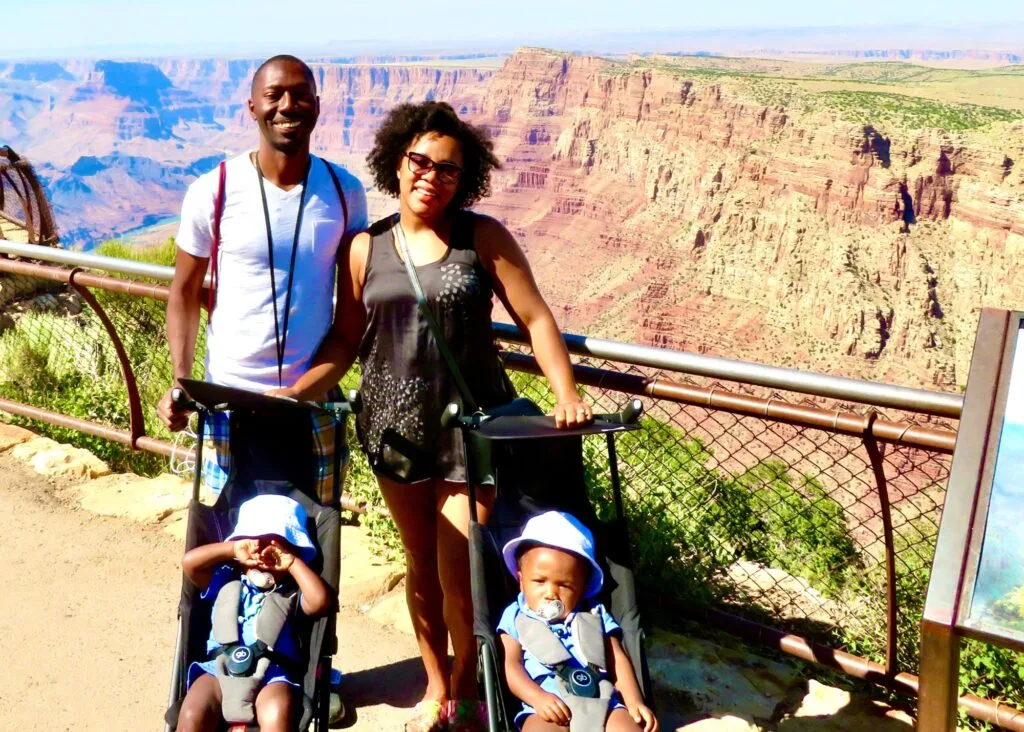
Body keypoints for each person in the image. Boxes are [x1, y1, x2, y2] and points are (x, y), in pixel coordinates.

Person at [283, 101, 593, 731]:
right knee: (420, 565)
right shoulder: (365, 248)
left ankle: (468, 687)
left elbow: (535, 318)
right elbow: (346, 339)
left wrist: (566, 393)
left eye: (448, 170)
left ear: (465, 178)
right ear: (396, 163)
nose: (431, 176)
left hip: (469, 431)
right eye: (420, 161)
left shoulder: (483, 239)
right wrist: (302, 394)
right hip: (393, 430)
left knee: (461, 569)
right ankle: (434, 685)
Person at [156, 54, 368, 504]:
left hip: (312, 403)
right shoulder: (212, 190)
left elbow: (350, 322)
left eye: (299, 94)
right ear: (251, 106)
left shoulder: (345, 192)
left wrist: (299, 390)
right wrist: (181, 380)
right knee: (223, 543)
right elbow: (185, 292)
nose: (287, 105)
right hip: (226, 402)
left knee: (314, 542)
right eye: (273, 95)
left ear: (317, 103)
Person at [176, 493, 331, 732]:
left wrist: (290, 563)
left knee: (277, 710)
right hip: (218, 669)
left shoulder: (290, 593)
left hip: (272, 673)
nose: (263, 555)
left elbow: (320, 601)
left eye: (277, 546)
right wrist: (233, 549)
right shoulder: (225, 580)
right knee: (191, 712)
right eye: (255, 544)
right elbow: (190, 563)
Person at [498, 512, 658, 732]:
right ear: (521, 580)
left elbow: (616, 659)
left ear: (582, 588)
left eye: (564, 585)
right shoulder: (515, 615)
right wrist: (537, 698)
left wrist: (634, 701)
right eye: (539, 581)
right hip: (547, 706)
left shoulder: (594, 612)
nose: (550, 593)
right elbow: (511, 665)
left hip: (603, 701)